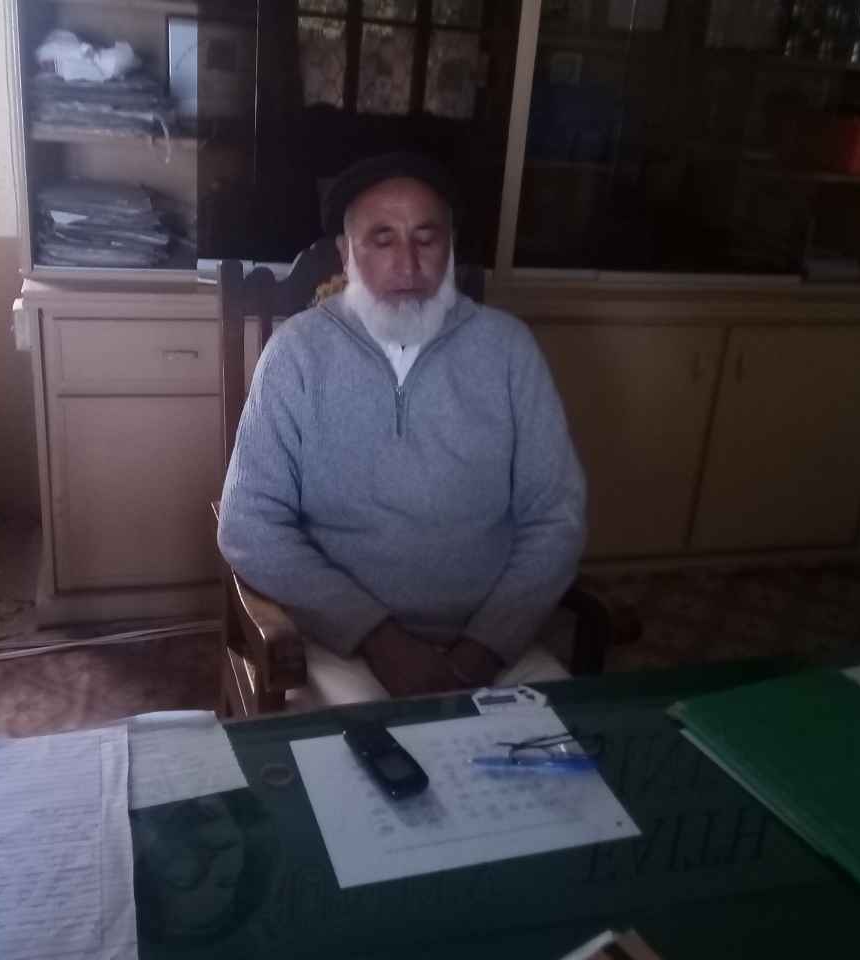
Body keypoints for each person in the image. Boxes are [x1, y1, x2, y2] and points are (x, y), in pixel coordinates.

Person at [217, 152, 586, 707]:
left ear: (450, 249)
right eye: (382, 239)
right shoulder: (296, 354)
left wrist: (483, 649)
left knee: (563, 755)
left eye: (426, 239)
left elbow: (556, 516)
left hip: (494, 647)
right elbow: (249, 524)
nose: (408, 265)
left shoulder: (508, 350)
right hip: (342, 647)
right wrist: (379, 639)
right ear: (346, 254)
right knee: (360, 760)